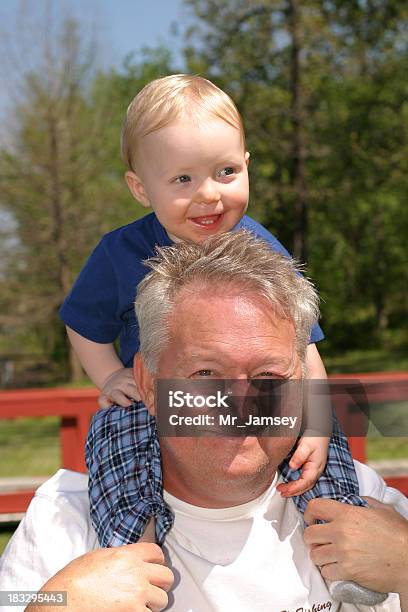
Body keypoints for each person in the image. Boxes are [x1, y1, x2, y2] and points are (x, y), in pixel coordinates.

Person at [1, 231, 407, 612]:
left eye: (268, 377)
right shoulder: (63, 524)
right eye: (207, 374)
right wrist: (50, 605)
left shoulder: (364, 507)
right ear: (147, 382)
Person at [59, 75, 368, 562]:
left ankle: (344, 545)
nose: (208, 195)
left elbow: (301, 345)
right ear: (141, 188)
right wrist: (111, 375)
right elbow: (82, 322)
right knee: (116, 434)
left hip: (260, 391)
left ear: (247, 166)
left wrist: (317, 421)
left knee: (324, 445)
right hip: (160, 397)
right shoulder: (119, 253)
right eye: (183, 179)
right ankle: (131, 551)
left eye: (225, 171)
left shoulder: (261, 247)